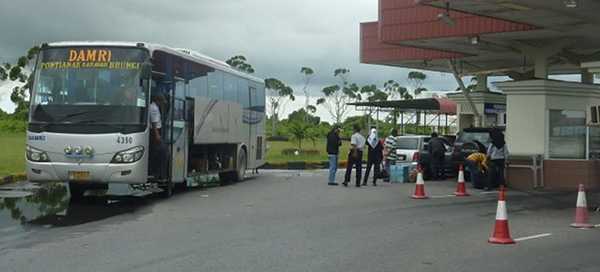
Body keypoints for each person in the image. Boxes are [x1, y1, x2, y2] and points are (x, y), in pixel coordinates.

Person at [149, 93, 167, 180]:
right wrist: (157, 135)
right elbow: (154, 123)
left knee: (156, 152)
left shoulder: (153, 107)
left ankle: (158, 173)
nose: (162, 104)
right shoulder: (154, 108)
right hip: (155, 132)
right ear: (158, 101)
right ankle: (159, 174)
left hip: (155, 131)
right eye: (162, 102)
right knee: (162, 152)